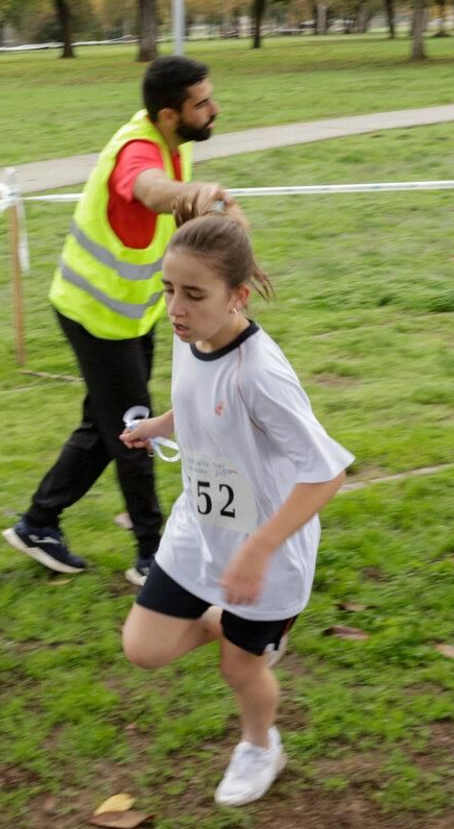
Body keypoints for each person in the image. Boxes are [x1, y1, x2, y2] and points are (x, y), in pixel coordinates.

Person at [119, 212, 351, 807]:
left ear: (237, 296)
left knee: (239, 671)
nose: (176, 307)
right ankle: (245, 632)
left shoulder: (262, 374)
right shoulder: (193, 336)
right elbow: (200, 402)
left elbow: (327, 473)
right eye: (169, 290)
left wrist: (256, 551)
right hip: (200, 528)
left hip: (265, 554)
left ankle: (259, 745)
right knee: (144, 648)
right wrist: (161, 426)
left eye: (194, 294)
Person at [3, 55, 235, 587]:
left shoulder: (173, 146)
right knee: (135, 429)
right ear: (171, 114)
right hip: (96, 315)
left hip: (128, 315)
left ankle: (39, 522)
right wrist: (190, 196)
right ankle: (152, 556)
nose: (214, 109)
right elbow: (148, 189)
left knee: (106, 426)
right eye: (202, 103)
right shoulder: (139, 150)